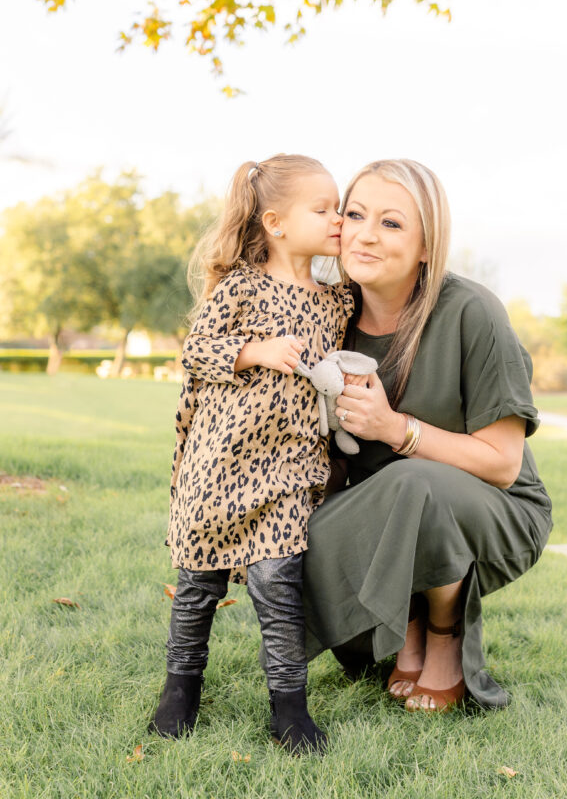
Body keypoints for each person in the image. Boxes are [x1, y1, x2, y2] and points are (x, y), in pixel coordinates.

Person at [302, 159, 553, 711]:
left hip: (497, 510)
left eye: (391, 223)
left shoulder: (472, 312)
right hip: (384, 511)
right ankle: (406, 624)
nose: (366, 233)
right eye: (357, 213)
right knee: (296, 537)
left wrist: (394, 428)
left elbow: (502, 464)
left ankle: (444, 637)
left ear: (425, 245)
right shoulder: (323, 314)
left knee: (416, 481)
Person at [149, 154, 353, 753]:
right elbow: (196, 351)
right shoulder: (243, 286)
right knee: (197, 586)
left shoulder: (337, 302)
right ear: (275, 222)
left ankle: (289, 708)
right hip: (219, 464)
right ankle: (180, 687)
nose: (339, 219)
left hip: (288, 470)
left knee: (278, 587)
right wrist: (255, 350)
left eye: (339, 207)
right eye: (325, 209)